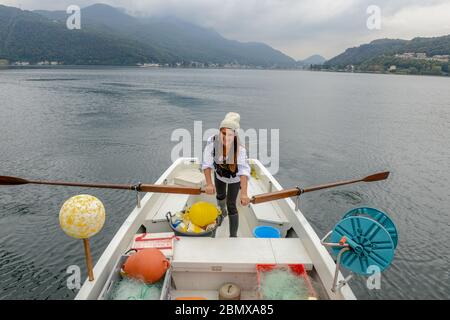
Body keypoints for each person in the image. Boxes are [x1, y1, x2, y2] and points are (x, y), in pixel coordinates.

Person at [202, 112, 251, 237]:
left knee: (231, 205)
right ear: (219, 131)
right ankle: (222, 214)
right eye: (224, 133)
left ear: (234, 134)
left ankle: (233, 235)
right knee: (220, 196)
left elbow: (243, 172)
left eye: (230, 134)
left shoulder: (240, 149)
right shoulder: (212, 142)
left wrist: (244, 193)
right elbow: (206, 164)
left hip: (234, 179)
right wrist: (208, 184)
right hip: (219, 175)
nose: (226, 137)